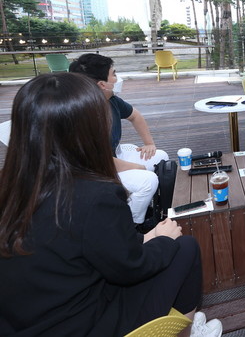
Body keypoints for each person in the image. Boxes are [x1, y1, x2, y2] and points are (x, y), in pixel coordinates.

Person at [0, 73, 221, 337]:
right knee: (185, 247)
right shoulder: (95, 196)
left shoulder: (12, 185)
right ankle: (187, 331)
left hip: (21, 320)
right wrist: (163, 240)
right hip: (83, 324)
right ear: (87, 128)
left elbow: (80, 247)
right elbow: (130, 269)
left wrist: (145, 238)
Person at [70, 53, 168, 226]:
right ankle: (131, 224)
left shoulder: (112, 100)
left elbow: (135, 116)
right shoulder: (84, 115)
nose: (117, 78)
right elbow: (100, 160)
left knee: (160, 157)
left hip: (114, 157)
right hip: (95, 171)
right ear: (102, 84)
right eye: (114, 74)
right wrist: (137, 167)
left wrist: (149, 144)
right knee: (148, 181)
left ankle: (144, 207)